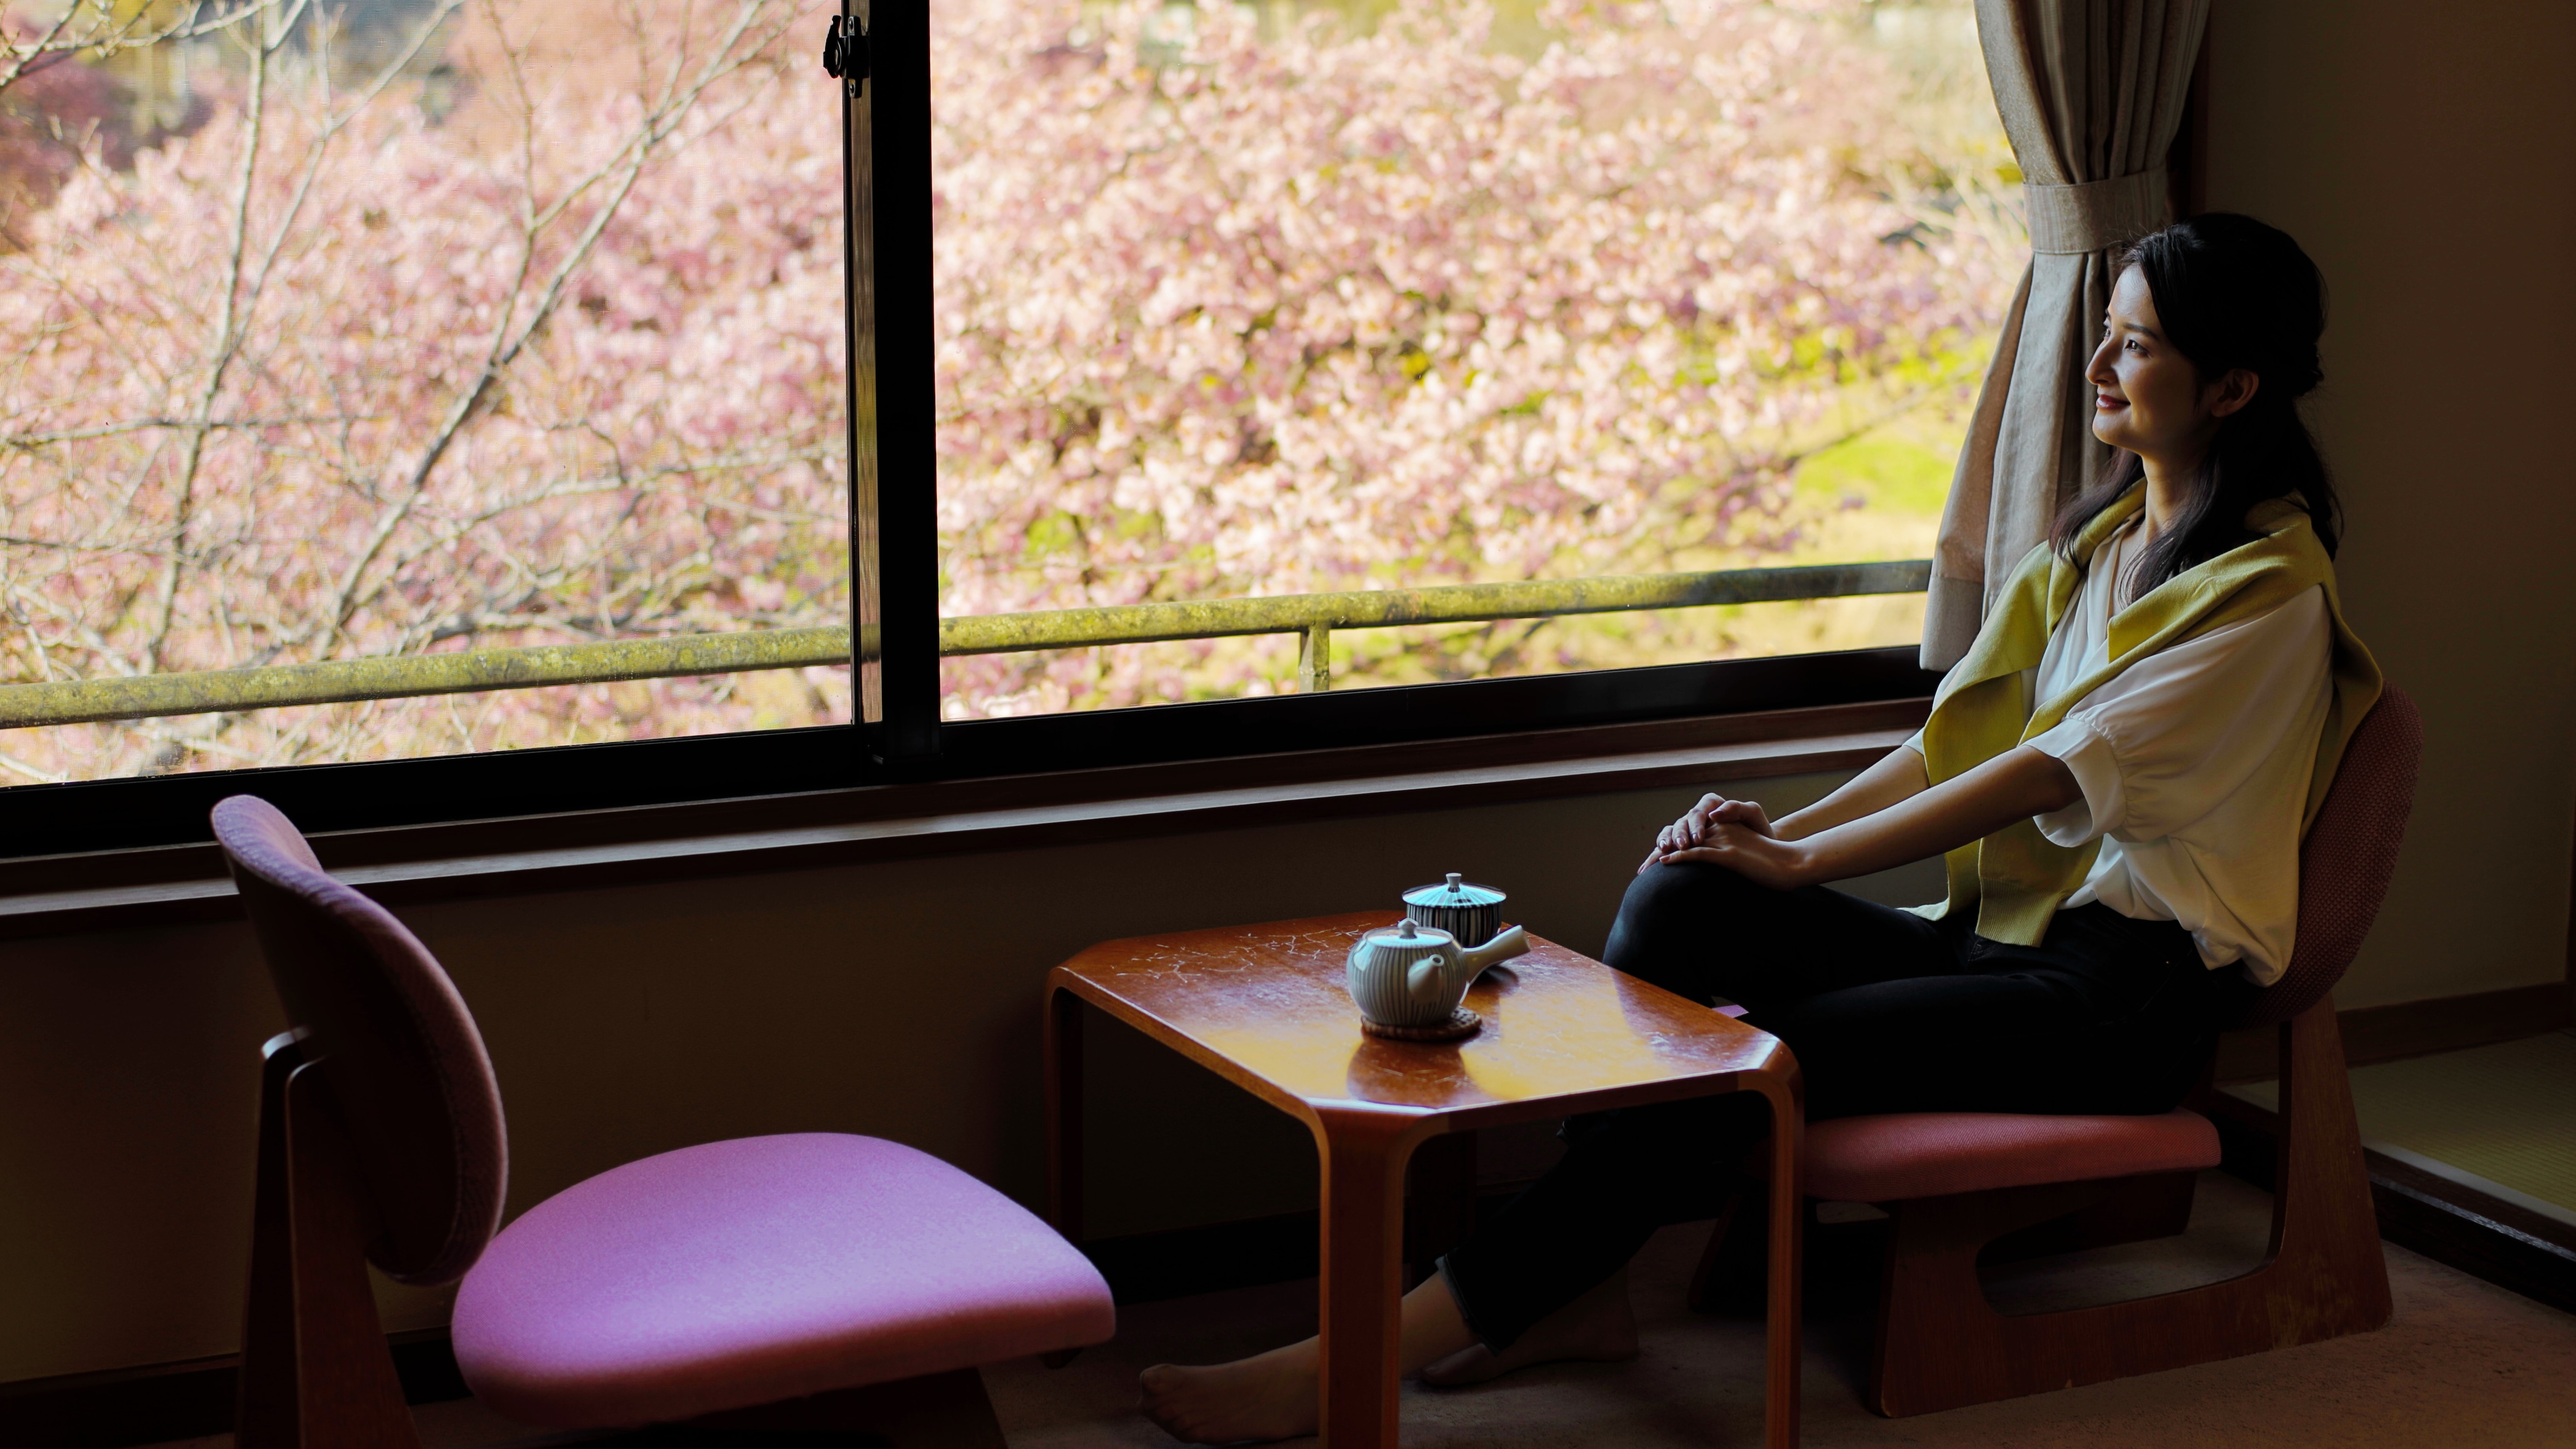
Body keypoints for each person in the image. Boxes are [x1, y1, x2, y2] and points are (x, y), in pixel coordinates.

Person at [1138, 213, 2380, 1444]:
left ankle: (1362, 1353)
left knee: (1752, 1067)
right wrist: (1768, 841)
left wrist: (1807, 862)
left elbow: (2043, 777)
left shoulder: (2265, 601)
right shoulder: (2107, 543)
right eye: (2104, 337)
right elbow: (1954, 743)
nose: (2101, 367)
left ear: (2231, 384)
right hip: (1998, 940)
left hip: (2121, 1000)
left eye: (2137, 347)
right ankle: (1583, 1289)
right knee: (1690, 894)